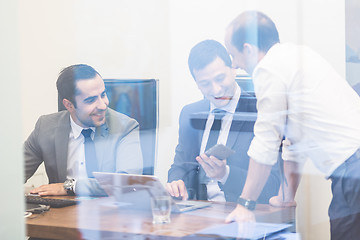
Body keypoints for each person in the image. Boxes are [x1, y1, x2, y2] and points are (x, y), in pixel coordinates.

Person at [224, 11, 360, 239]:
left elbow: (266, 140)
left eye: (233, 56)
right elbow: (294, 141)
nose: (236, 65)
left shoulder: (268, 68)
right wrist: (286, 197)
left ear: (247, 49)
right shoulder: (297, 56)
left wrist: (245, 205)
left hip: (353, 171)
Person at [166, 40, 280, 204]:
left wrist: (225, 174)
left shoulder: (261, 112)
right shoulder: (189, 113)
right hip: (197, 213)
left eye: (220, 78)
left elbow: (274, 186)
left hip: (242, 214)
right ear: (197, 84)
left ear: (233, 69)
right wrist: (176, 182)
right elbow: (180, 166)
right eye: (205, 83)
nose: (216, 90)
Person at [24, 64, 143, 196]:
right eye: (91, 100)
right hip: (60, 212)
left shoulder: (125, 127)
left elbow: (128, 182)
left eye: (103, 94)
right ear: (69, 105)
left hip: (110, 212)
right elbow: (12, 175)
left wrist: (70, 186)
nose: (103, 105)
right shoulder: (46, 127)